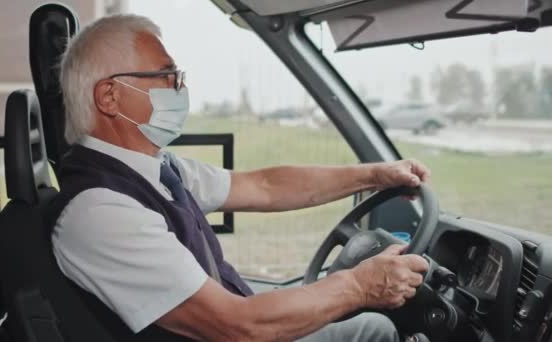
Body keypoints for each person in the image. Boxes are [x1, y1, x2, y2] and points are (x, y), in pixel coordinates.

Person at [50, 14, 430, 341]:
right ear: (110, 97)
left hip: (244, 322)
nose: (180, 88)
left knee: (370, 327)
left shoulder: (159, 170)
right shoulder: (100, 210)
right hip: (242, 331)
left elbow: (264, 187)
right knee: (375, 330)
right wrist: (360, 286)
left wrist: (376, 175)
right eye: (165, 75)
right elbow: (236, 328)